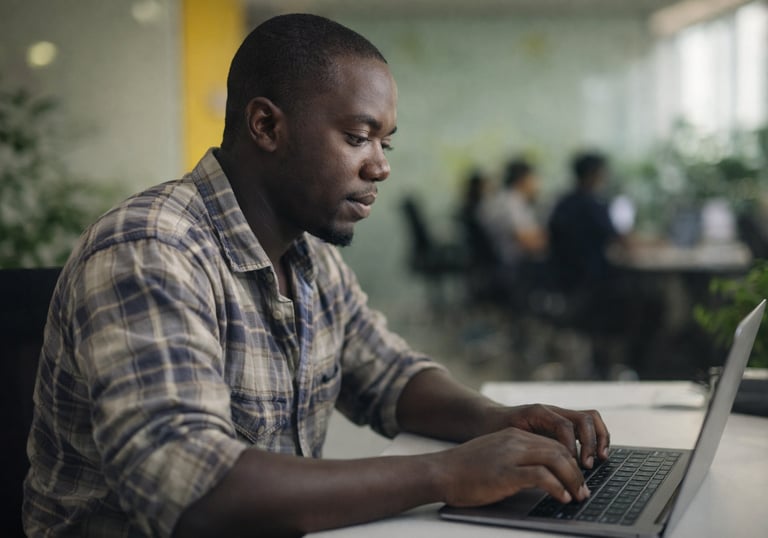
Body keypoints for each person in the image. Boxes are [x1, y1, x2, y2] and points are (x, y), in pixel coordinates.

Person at [23, 14, 609, 537]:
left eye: (385, 142)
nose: (379, 166)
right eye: (357, 137)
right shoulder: (150, 249)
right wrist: (446, 473)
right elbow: (194, 495)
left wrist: (498, 421)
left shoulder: (310, 255)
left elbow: (388, 375)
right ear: (267, 126)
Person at [548, 152, 623, 292]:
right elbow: (617, 238)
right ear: (594, 174)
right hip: (591, 277)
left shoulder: (562, 203)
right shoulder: (593, 205)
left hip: (563, 276)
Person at [478, 158, 547, 270]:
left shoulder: (498, 200)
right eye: (534, 179)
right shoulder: (512, 203)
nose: (537, 185)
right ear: (523, 180)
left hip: (502, 266)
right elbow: (529, 243)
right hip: (519, 267)